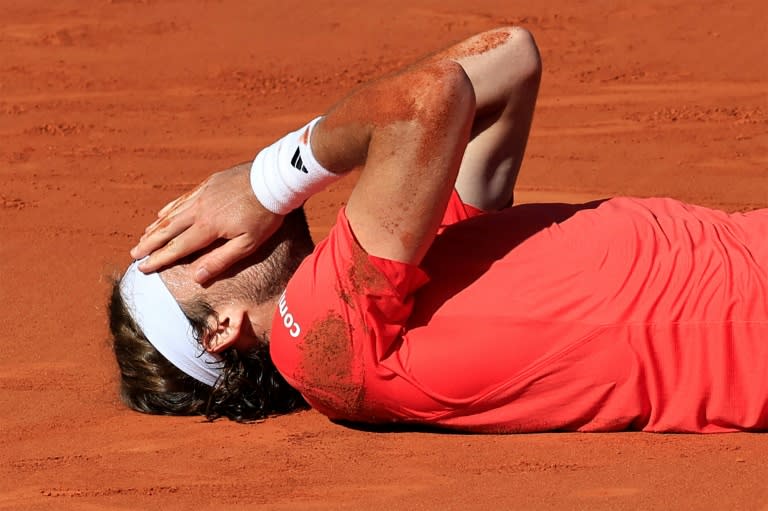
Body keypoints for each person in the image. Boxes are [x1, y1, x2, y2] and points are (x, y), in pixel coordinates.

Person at [111, 26, 768, 432]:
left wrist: (270, 183)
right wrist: (263, 183)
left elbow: (508, 60)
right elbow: (427, 100)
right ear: (222, 329)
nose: (201, 216)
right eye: (179, 245)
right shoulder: (316, 336)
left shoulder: (392, 270)